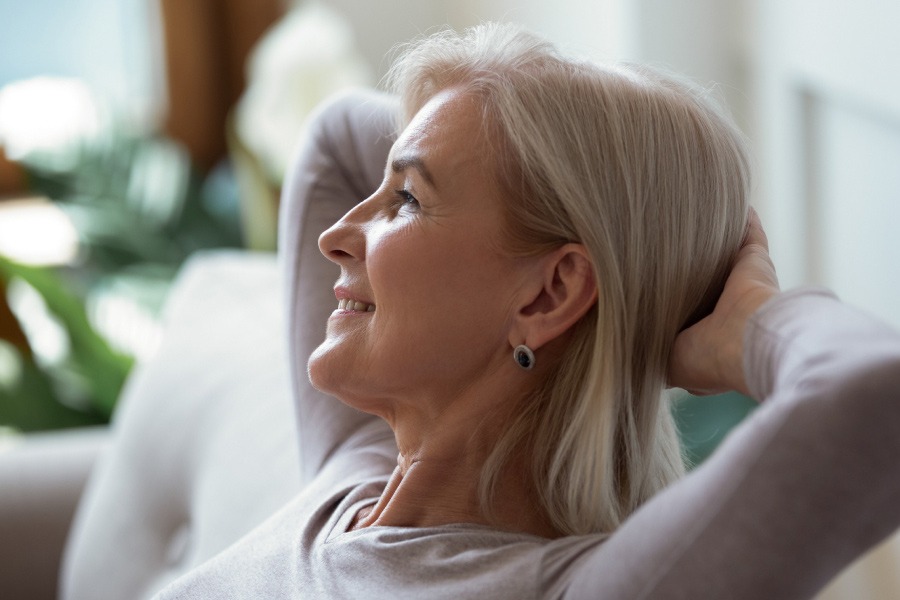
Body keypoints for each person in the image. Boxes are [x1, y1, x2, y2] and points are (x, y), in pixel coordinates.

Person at [155, 23, 900, 599]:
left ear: (549, 295)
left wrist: (741, 328)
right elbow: (332, 141)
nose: (334, 236)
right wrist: (501, 117)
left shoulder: (581, 588)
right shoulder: (351, 477)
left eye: (407, 199)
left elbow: (873, 397)